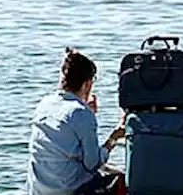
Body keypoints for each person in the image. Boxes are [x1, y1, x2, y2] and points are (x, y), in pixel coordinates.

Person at [26, 48, 125, 195]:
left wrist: (88, 114)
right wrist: (114, 137)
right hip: (68, 190)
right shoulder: (81, 113)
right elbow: (93, 164)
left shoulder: (44, 104)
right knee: (120, 178)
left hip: (38, 189)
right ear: (86, 84)